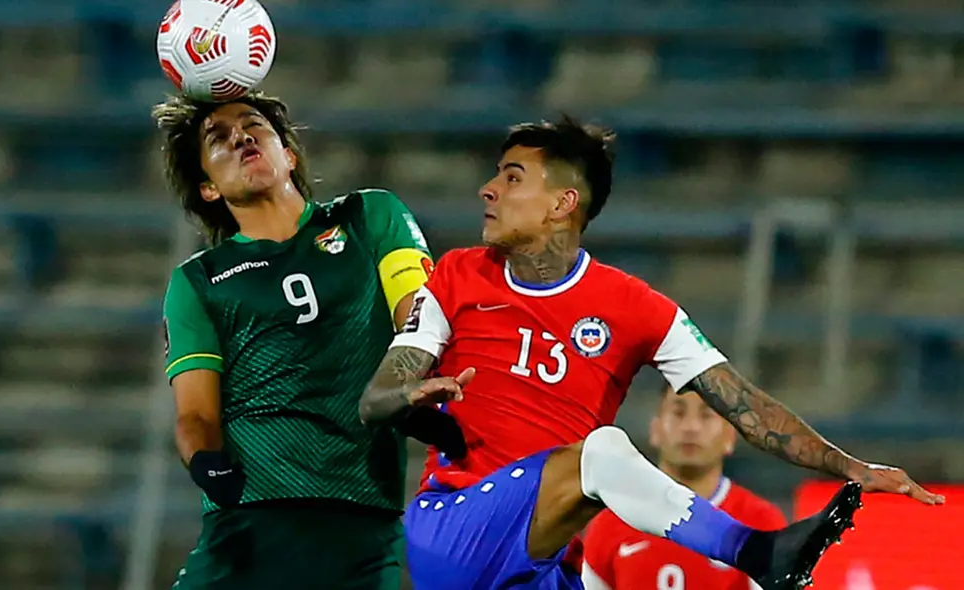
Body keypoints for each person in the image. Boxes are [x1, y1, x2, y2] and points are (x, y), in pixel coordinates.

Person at [358, 116, 945, 590]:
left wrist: (852, 468)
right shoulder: (456, 277)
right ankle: (755, 551)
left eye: (512, 178)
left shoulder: (634, 307)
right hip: (456, 528)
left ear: (563, 203)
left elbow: (743, 405)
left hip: (543, 558)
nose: (488, 189)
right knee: (603, 452)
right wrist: (411, 393)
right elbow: (375, 401)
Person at [153, 91, 434, 590]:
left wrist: (415, 376)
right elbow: (195, 414)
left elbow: (418, 315)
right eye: (217, 139)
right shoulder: (199, 280)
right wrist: (208, 464)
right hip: (250, 520)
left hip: (362, 516)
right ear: (209, 188)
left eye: (253, 125)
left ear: (290, 153)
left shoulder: (370, 218)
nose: (240, 137)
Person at [581, 385, 789, 590]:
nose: (691, 427)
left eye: (706, 415)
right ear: (655, 430)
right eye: (678, 413)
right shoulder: (612, 522)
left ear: (729, 436)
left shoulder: (760, 523)